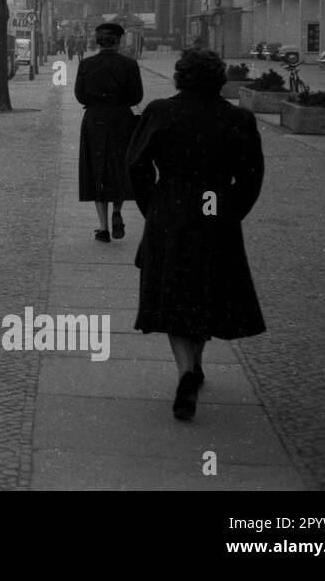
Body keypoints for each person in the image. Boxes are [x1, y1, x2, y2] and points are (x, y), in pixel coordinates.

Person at [127, 48, 266, 421]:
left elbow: (136, 164)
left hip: (172, 207)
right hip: (214, 207)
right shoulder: (238, 118)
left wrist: (151, 205)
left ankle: (186, 371)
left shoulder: (161, 111)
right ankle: (197, 364)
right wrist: (232, 210)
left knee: (173, 292)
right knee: (206, 289)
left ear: (179, 77)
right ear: (219, 80)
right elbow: (252, 176)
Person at [74, 23, 142, 243]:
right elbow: (137, 97)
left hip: (95, 119)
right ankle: (117, 211)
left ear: (98, 42)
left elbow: (80, 96)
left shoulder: (86, 65)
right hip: (122, 119)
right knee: (119, 166)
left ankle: (103, 228)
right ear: (119, 41)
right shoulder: (129, 65)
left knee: (96, 168)